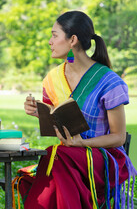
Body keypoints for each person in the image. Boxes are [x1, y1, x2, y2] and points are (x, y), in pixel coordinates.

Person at [21, 11, 136, 209]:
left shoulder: (109, 81)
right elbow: (55, 115)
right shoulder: (52, 79)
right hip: (67, 159)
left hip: (102, 158)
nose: (50, 41)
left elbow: (118, 137)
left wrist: (81, 143)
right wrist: (39, 111)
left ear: (72, 40)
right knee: (53, 163)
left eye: (54, 35)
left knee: (54, 157)